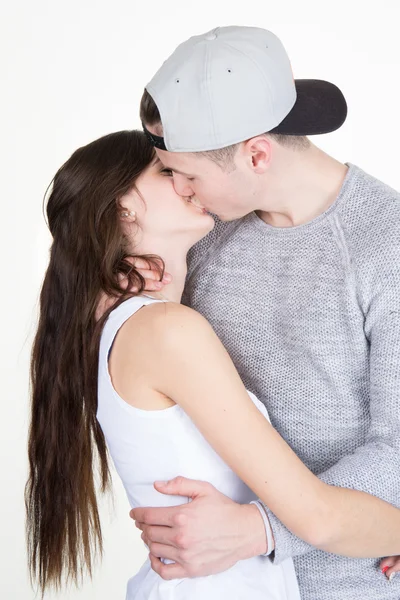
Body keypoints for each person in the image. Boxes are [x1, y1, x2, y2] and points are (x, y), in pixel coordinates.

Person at [26, 129, 400, 600]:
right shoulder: (165, 331)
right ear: (124, 208)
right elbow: (319, 517)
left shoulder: (128, 323)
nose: (187, 184)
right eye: (167, 172)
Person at [128, 25, 400, 599]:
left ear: (256, 153)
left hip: (348, 583)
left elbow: (397, 450)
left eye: (185, 173)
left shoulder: (387, 247)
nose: (175, 189)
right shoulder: (199, 233)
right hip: (216, 581)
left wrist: (261, 529)